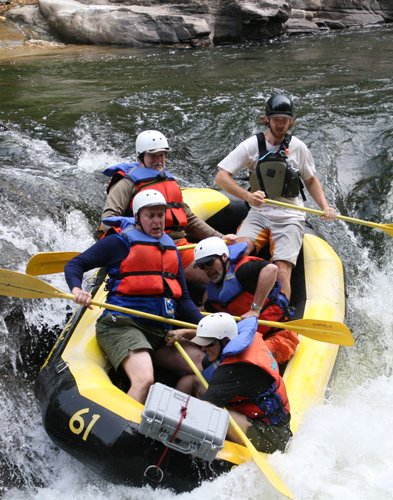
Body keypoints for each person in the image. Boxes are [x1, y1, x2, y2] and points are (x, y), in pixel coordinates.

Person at [66, 190, 205, 404]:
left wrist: (205, 324)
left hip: (159, 332)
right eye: (151, 216)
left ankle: (177, 418)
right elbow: (76, 264)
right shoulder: (119, 243)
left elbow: (183, 299)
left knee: (202, 366)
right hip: (122, 326)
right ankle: (122, 431)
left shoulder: (171, 248)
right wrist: (76, 290)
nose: (158, 221)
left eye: (161, 215)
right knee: (145, 379)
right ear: (138, 218)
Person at [215, 94, 337, 300]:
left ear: (291, 121)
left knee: (281, 271)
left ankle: (280, 319)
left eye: (284, 120)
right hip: (260, 213)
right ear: (267, 119)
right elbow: (221, 176)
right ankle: (228, 301)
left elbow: (311, 180)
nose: (280, 125)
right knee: (237, 252)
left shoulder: (298, 147)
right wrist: (248, 196)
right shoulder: (252, 145)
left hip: (291, 216)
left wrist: (325, 206)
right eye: (276, 120)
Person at [100, 130, 235, 283]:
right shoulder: (126, 184)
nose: (158, 160)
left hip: (178, 246)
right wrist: (140, 234)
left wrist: (220, 237)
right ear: (141, 156)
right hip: (150, 250)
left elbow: (189, 219)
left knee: (227, 264)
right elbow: (108, 221)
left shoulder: (168, 181)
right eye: (153, 156)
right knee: (224, 275)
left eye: (162, 155)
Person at [169, 313, 292, 454]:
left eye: (208, 344)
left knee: (217, 417)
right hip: (261, 415)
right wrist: (185, 333)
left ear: (225, 341)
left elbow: (203, 411)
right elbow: (215, 338)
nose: (203, 349)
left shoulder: (234, 370)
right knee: (197, 381)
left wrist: (176, 427)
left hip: (273, 435)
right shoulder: (241, 338)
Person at [190, 236, 299, 364]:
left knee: (247, 361)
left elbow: (271, 269)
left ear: (224, 257)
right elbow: (205, 312)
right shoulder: (215, 293)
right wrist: (186, 331)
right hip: (250, 340)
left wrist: (255, 309)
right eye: (202, 266)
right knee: (208, 363)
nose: (207, 269)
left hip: (279, 336)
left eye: (209, 263)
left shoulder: (242, 271)